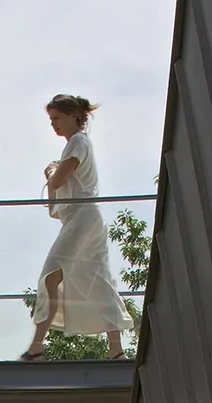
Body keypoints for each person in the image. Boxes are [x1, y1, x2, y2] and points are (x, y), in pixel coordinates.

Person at [20, 93, 133, 362]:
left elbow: (58, 180)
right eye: (51, 119)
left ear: (73, 116)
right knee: (97, 277)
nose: (53, 124)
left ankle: (36, 347)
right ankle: (115, 349)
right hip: (84, 218)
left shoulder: (78, 143)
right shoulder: (78, 144)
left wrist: (51, 171)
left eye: (56, 118)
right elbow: (57, 206)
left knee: (51, 275)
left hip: (83, 217)